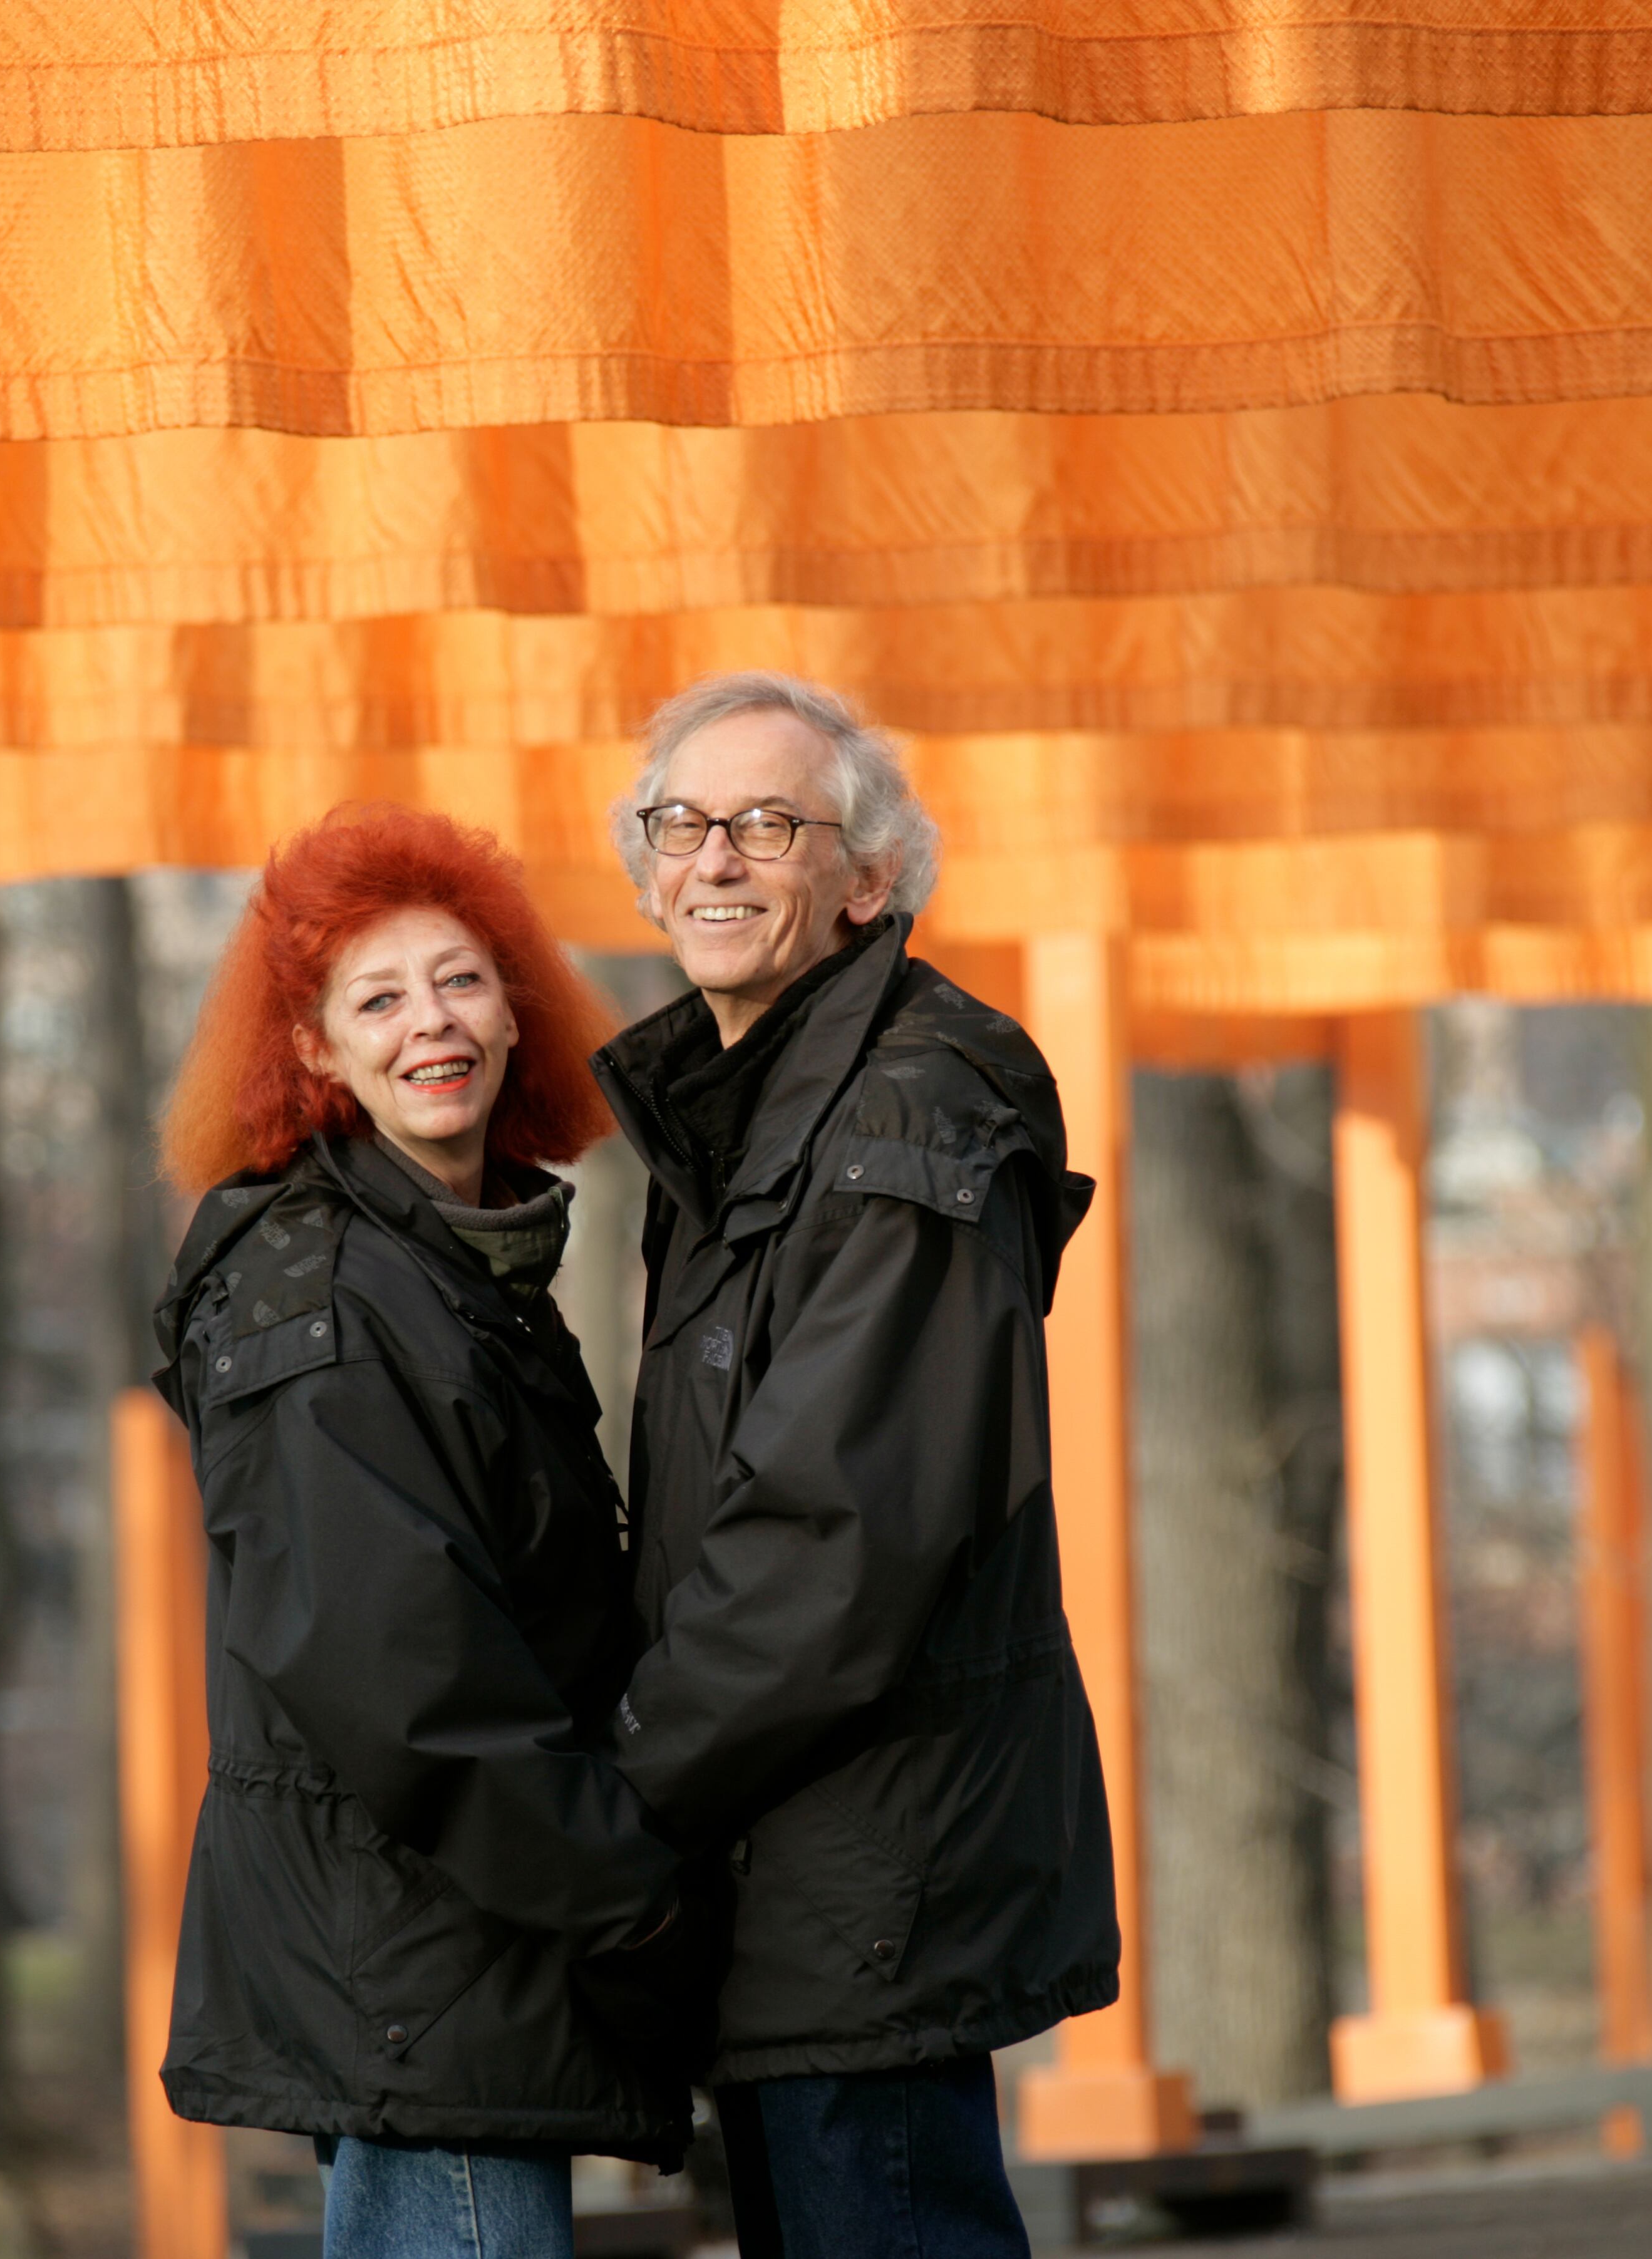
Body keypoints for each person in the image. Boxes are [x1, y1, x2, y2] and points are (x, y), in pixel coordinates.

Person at [589, 673, 1121, 2259]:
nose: (716, 859)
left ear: (869, 879)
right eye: (681, 824)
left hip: (866, 1871)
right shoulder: (747, 1113)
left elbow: (836, 1540)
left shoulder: (908, 1109)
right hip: (788, 1862)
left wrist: (619, 1792)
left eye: (768, 823)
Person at [152, 804, 700, 2259]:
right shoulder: (324, 1301)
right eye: (376, 998)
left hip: (466, 1942)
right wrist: (631, 1896)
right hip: (418, 1958)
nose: (430, 1024)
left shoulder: (456, 1268)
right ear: (315, 1051)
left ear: (517, 1010)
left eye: (459, 980)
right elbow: (404, 1679)